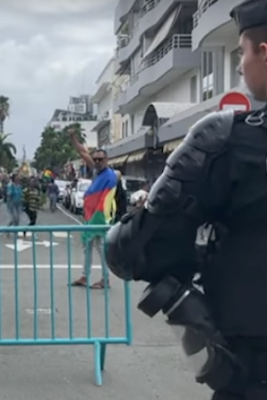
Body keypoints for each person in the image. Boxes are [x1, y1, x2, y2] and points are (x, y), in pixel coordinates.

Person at [104, 1, 267, 398]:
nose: (242, 67)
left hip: (251, 367)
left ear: (264, 52)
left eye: (242, 52)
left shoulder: (231, 141)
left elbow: (136, 250)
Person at [68, 128, 117, 289]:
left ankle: (105, 279)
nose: (96, 162)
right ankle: (84, 276)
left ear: (106, 159)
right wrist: (74, 138)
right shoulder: (97, 172)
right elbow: (83, 152)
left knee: (101, 249)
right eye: (95, 159)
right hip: (91, 218)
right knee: (87, 247)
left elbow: (106, 200)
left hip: (100, 219)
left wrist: (99, 217)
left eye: (100, 159)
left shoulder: (109, 176)